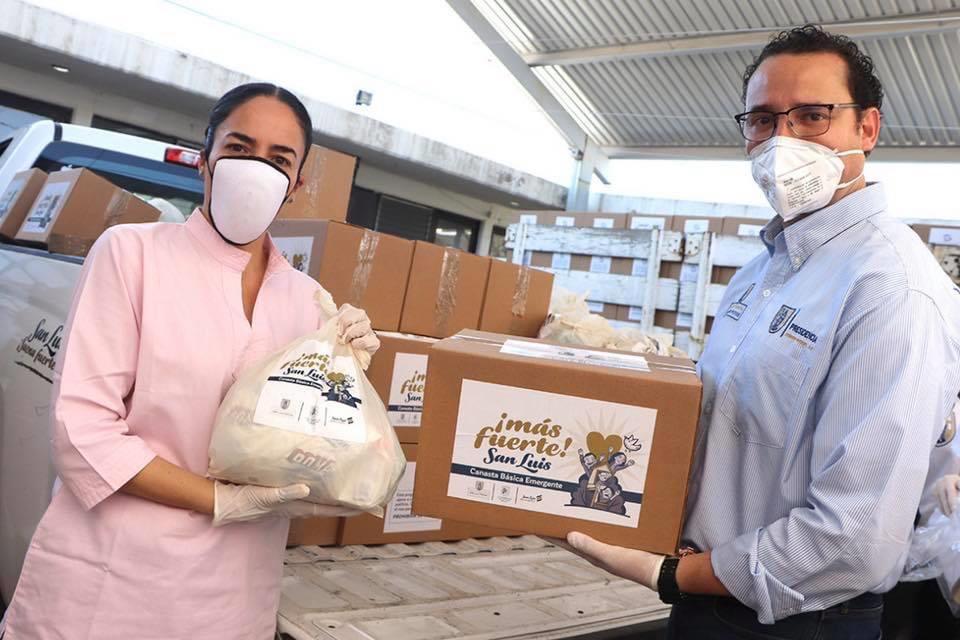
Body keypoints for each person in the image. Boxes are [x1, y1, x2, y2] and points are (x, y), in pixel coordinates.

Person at [566, 25, 960, 639]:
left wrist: (676, 575)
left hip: (801, 620)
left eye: (812, 116)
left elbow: (853, 537)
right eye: (762, 120)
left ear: (867, 129)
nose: (782, 142)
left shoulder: (891, 288)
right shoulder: (760, 273)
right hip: (711, 597)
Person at [1, 83, 380, 639]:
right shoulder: (132, 253)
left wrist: (348, 378)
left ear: (296, 185)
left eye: (279, 160)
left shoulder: (307, 301)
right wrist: (222, 500)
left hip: (232, 596)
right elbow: (81, 432)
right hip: (113, 581)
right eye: (239, 148)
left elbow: (307, 451)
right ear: (204, 160)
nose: (256, 170)